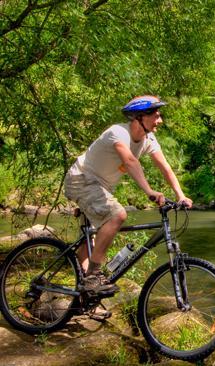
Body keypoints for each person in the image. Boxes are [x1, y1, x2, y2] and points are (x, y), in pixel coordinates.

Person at [64, 95, 192, 297]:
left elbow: (165, 168)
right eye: (156, 115)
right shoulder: (118, 133)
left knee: (89, 245)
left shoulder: (149, 139)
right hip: (82, 180)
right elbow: (131, 162)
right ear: (140, 117)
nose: (160, 120)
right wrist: (150, 192)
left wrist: (181, 195)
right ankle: (93, 276)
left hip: (101, 187)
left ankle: (84, 301)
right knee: (117, 216)